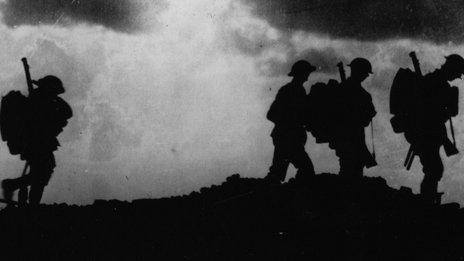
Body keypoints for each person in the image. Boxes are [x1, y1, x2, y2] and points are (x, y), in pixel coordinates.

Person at [2, 75, 72, 206]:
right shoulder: (39, 100)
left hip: (38, 143)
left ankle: (14, 186)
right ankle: (21, 194)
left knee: (41, 173)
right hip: (36, 144)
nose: (56, 95)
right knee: (42, 173)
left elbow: (67, 112)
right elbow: (66, 112)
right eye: (54, 92)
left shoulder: (41, 99)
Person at [406, 54, 464, 204]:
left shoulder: (435, 82)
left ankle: (429, 199)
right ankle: (427, 201)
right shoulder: (435, 83)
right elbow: (431, 110)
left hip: (431, 133)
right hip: (426, 133)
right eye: (457, 73)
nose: (457, 76)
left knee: (434, 169)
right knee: (434, 169)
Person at [264, 60, 316, 184]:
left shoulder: (298, 90)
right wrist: (291, 122)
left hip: (288, 138)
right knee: (306, 169)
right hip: (287, 138)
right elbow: (271, 114)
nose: (308, 75)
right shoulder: (289, 90)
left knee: (278, 171)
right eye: (306, 72)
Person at [334, 58, 376, 179]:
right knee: (351, 170)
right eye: (365, 73)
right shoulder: (360, 93)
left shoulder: (344, 89)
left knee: (351, 169)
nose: (367, 76)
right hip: (350, 137)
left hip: (348, 137)